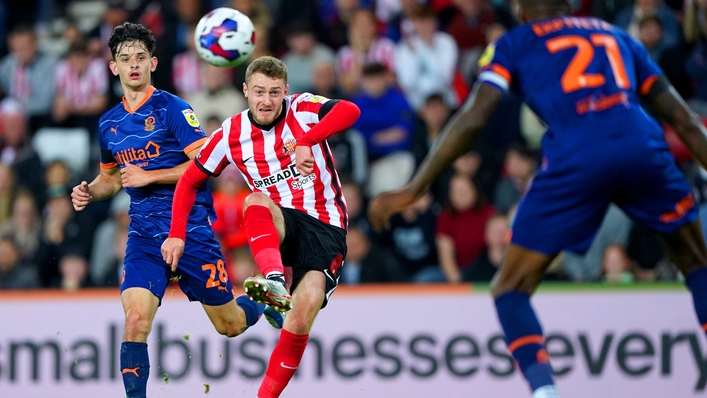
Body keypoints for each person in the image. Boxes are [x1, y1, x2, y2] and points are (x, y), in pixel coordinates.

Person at [368, 1, 707, 396]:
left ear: (519, 8)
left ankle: (545, 391)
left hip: (577, 153)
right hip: (641, 143)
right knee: (697, 262)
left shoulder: (515, 42)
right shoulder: (616, 35)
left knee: (510, 288)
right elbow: (683, 119)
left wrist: (416, 186)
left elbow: (475, 116)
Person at [69, 23, 280, 398]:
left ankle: (263, 296)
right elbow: (113, 179)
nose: (132, 66)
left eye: (139, 58)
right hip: (144, 236)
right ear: (113, 68)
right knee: (134, 321)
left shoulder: (173, 109)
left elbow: (207, 163)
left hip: (190, 231)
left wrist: (151, 176)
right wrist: (89, 190)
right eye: (124, 59)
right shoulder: (108, 124)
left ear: (152, 62)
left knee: (229, 325)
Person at [162, 55, 361, 398]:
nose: (266, 100)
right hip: (278, 222)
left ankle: (272, 328)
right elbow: (190, 180)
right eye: (258, 92)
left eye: (273, 92)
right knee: (254, 201)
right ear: (245, 91)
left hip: (326, 225)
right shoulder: (231, 133)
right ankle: (274, 282)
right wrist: (176, 233)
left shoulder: (302, 108)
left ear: (285, 91)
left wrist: (306, 140)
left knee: (299, 319)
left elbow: (350, 111)